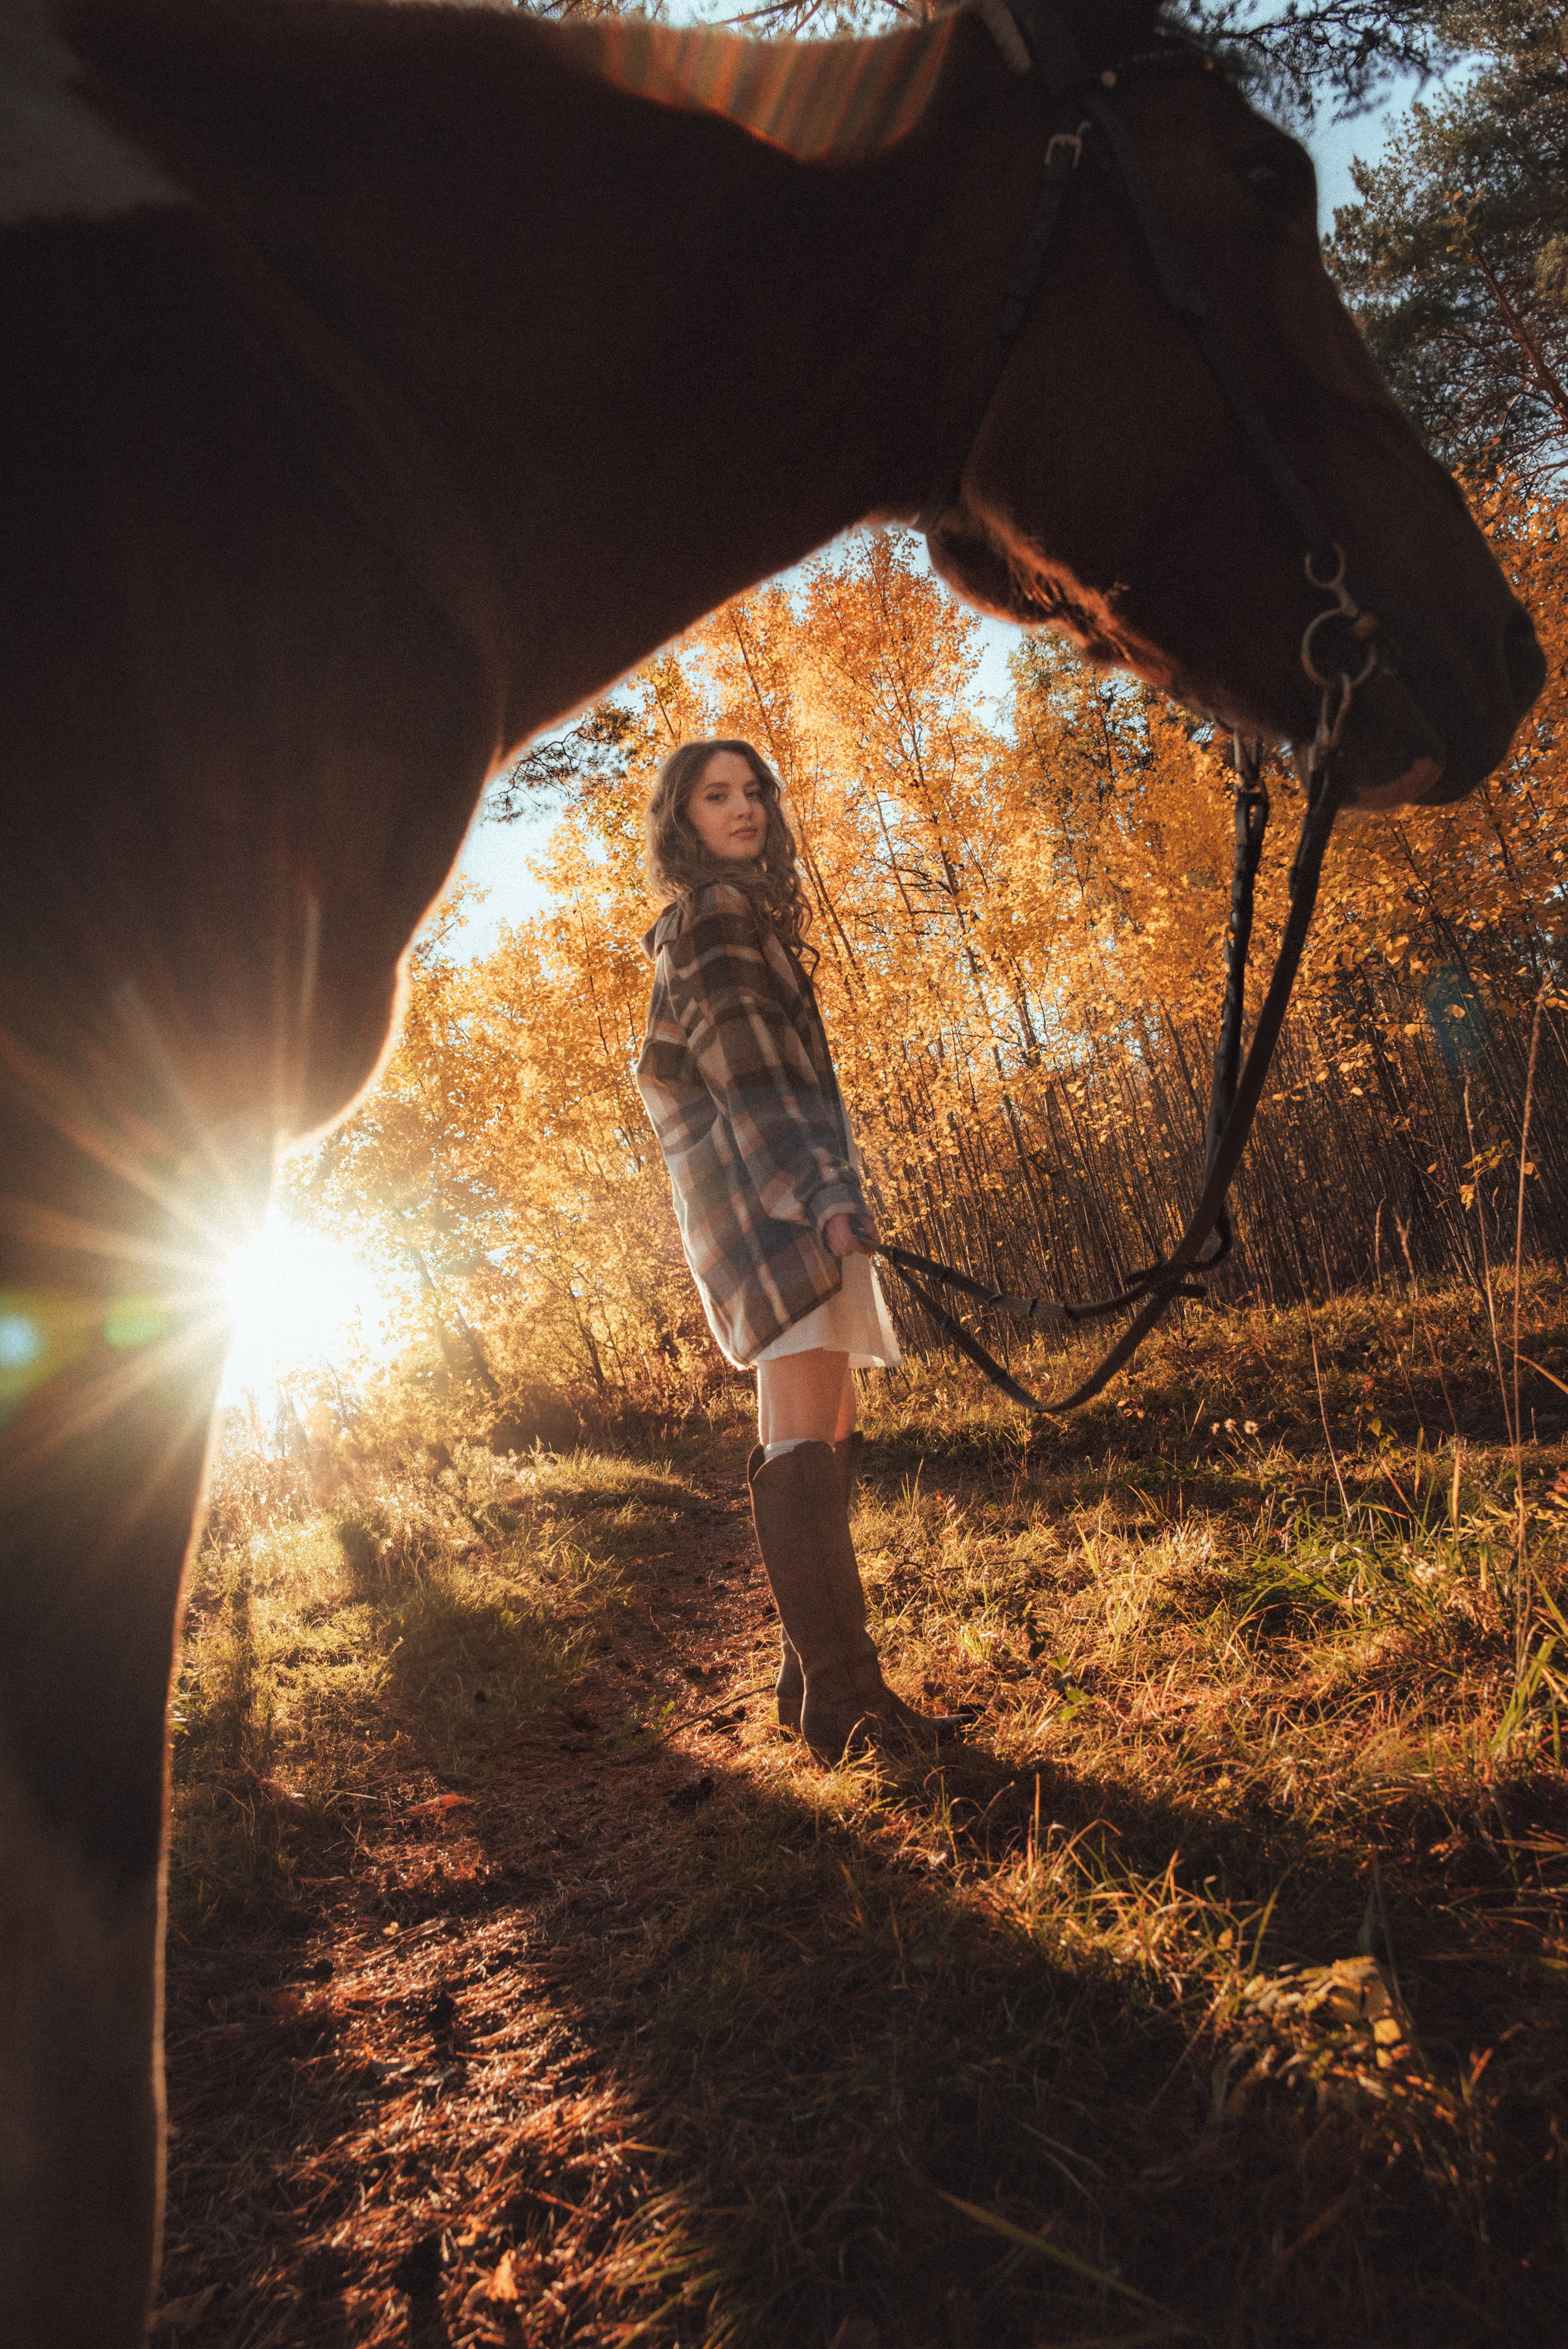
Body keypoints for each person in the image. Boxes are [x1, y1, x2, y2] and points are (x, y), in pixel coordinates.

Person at [634, 738, 960, 1763]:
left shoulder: (730, 923)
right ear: (679, 823)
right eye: (715, 796)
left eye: (754, 792)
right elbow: (751, 1076)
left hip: (776, 1206)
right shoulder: (715, 920)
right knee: (802, 1441)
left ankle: (812, 1687)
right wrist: (819, 1193)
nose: (744, 810)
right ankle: (847, 1706)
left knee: (821, 1428)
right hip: (775, 1212)